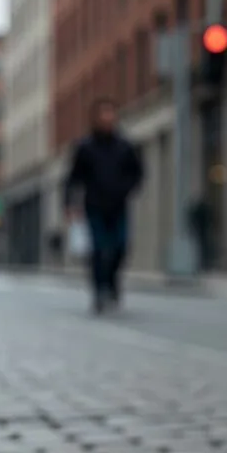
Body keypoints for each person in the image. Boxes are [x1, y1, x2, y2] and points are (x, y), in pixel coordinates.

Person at [63, 99, 144, 314]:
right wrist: (69, 204)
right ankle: (99, 291)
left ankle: (112, 282)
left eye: (111, 114)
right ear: (96, 119)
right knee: (98, 250)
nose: (108, 119)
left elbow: (137, 173)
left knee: (120, 247)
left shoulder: (124, 146)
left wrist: (127, 189)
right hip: (95, 206)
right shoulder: (85, 147)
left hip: (118, 205)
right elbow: (73, 178)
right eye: (103, 115)